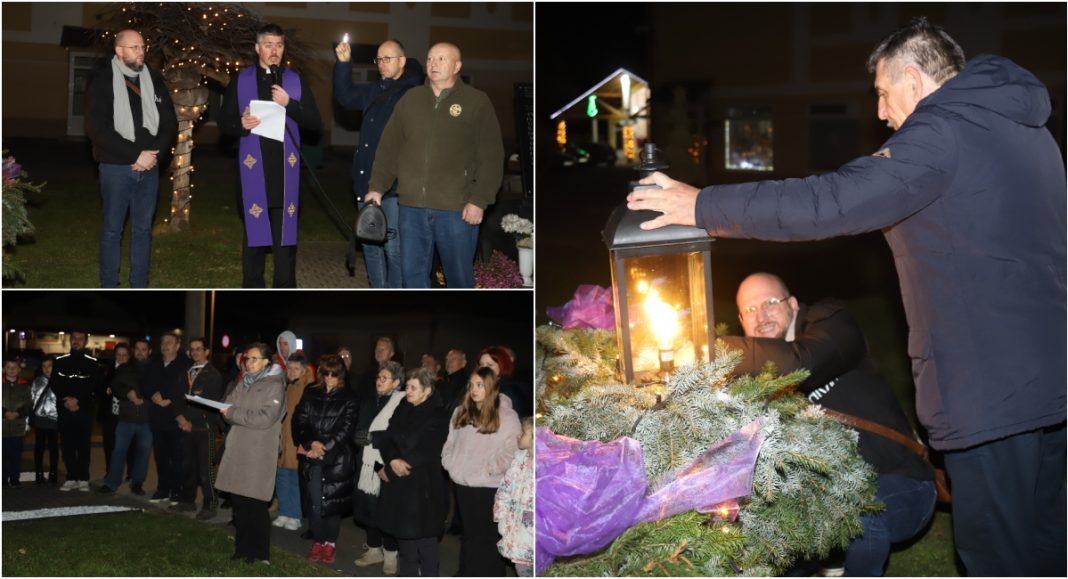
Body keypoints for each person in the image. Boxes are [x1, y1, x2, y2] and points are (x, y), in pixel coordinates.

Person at [626, 18, 1066, 576]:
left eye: (882, 92)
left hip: (991, 389)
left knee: (998, 555)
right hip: (1048, 376)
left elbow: (830, 201)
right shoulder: (1024, 130)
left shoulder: (940, 131)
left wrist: (702, 206)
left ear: (913, 79)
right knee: (1044, 543)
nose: (880, 112)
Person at [721, 273, 936, 576]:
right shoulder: (749, 377)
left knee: (859, 512)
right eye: (750, 309)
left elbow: (798, 364)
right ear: (741, 321)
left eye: (770, 302)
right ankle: (830, 557)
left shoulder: (831, 325)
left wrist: (712, 348)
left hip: (901, 484)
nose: (762, 316)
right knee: (760, 542)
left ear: (793, 304)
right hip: (819, 502)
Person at [366, 42, 505, 288]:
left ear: (457, 66)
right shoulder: (411, 99)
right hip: (411, 208)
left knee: (459, 279)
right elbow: (389, 148)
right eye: (430, 59)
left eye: (441, 59)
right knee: (412, 277)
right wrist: (377, 187)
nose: (433, 64)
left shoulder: (476, 101)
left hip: (456, 209)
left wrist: (479, 200)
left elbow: (491, 155)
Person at [220, 23, 322, 288]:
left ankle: (284, 288)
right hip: (253, 173)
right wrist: (240, 124)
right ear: (257, 48)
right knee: (254, 242)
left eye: (279, 45)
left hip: (285, 175)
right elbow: (224, 123)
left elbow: (314, 122)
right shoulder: (241, 80)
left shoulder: (295, 81)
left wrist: (291, 104)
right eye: (268, 45)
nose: (274, 51)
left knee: (285, 244)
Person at [86, 29, 177, 288]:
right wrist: (135, 155)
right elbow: (97, 129)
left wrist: (154, 155)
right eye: (134, 47)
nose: (141, 51)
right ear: (119, 51)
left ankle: (139, 284)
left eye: (142, 46)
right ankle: (109, 284)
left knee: (143, 230)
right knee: (112, 230)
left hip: (150, 168)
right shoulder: (102, 80)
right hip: (116, 168)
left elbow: (169, 123)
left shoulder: (154, 79)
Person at [334, 38, 424, 288]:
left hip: (393, 188)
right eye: (379, 59)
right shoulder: (374, 90)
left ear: (402, 61)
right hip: (365, 182)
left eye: (388, 59)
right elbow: (346, 96)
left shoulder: (413, 94)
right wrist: (343, 64)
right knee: (370, 244)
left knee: (394, 249)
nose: (381, 64)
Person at [441, 367, 521, 576]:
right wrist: (450, 463)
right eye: (472, 385)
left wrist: (489, 470)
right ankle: (467, 572)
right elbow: (450, 442)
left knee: (486, 537)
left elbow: (513, 450)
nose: (474, 390)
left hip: (488, 486)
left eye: (480, 385)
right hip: (462, 483)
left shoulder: (506, 415)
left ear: (491, 387)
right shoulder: (461, 412)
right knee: (469, 534)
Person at [216, 343, 286, 565]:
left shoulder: (275, 385)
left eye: (254, 358)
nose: (249, 362)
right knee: (239, 503)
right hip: (238, 448)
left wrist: (234, 413)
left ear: (266, 362)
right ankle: (242, 548)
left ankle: (260, 553)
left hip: (258, 452)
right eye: (247, 358)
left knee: (255, 503)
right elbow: (226, 408)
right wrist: (233, 413)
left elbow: (264, 418)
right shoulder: (243, 382)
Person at [375, 367, 449, 576]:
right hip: (400, 485)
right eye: (407, 386)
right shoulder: (403, 407)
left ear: (427, 390)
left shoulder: (438, 414)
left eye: (413, 387)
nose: (407, 391)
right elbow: (387, 437)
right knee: (405, 540)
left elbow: (428, 449)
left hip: (422, 487)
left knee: (425, 542)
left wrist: (400, 464)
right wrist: (392, 459)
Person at [292, 355, 359, 565]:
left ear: (341, 374)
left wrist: (325, 446)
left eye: (334, 374)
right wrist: (311, 442)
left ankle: (330, 543)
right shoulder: (311, 391)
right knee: (314, 502)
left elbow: (346, 428)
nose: (329, 378)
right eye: (326, 373)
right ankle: (318, 541)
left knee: (332, 503)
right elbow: (300, 419)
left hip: (336, 458)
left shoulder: (349, 397)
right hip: (312, 455)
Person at [352, 360, 405, 574]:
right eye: (378, 377)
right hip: (367, 461)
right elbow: (359, 428)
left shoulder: (402, 403)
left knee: (386, 511)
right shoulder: (369, 401)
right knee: (368, 507)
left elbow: (397, 435)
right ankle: (374, 550)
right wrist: (359, 437)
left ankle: (391, 555)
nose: (379, 382)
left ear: (397, 382)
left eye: (385, 378)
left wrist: (373, 439)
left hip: (387, 462)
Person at [171, 337, 224, 520]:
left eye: (199, 349)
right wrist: (179, 417)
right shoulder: (185, 372)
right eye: (192, 349)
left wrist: (191, 421)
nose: (195, 352)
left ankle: (210, 504)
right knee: (188, 467)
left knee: (205, 470)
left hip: (204, 429)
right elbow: (177, 397)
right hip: (185, 427)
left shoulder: (214, 375)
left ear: (207, 351)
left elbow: (210, 403)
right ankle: (188, 500)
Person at [141, 332, 191, 504]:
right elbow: (144, 385)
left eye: (169, 342)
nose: (165, 345)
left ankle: (177, 490)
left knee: (177, 457)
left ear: (178, 345)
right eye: (163, 342)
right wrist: (152, 394)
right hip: (157, 418)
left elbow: (188, 389)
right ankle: (163, 489)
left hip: (176, 417)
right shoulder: (153, 364)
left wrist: (170, 398)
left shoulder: (186, 365)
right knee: (161, 457)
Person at [98, 342, 152, 497]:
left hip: (147, 420)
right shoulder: (124, 368)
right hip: (126, 418)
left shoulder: (154, 368)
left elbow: (157, 387)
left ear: (149, 352)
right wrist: (128, 392)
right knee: (118, 452)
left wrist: (141, 395)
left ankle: (137, 483)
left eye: (143, 350)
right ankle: (111, 483)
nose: (140, 352)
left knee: (143, 453)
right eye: (137, 349)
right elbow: (116, 386)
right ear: (134, 351)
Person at [51, 331, 101, 492]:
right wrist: (66, 400)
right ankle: (71, 477)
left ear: (85, 341)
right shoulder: (60, 361)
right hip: (65, 409)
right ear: (70, 340)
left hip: (83, 410)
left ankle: (83, 478)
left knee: (83, 446)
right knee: (67, 445)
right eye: (74, 338)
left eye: (80, 339)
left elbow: (93, 385)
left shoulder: (92, 363)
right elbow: (55, 383)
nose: (76, 341)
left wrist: (77, 400)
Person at [274, 352, 312, 532]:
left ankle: (295, 515)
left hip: (296, 441)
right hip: (283, 439)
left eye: (296, 369)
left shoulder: (307, 389)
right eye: (289, 368)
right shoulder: (286, 385)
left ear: (304, 370)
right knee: (281, 477)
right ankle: (284, 511)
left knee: (295, 479)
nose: (291, 372)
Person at [493, 416, 534, 577]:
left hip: (534, 534)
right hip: (515, 528)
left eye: (523, 433)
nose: (518, 435)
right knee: (522, 570)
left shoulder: (544, 467)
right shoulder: (518, 461)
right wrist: (502, 517)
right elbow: (504, 489)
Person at [30, 355, 59, 485]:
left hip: (54, 419)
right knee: (39, 447)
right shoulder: (37, 381)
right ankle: (39, 472)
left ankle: (53, 472)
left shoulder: (60, 380)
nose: (47, 369)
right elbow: (32, 399)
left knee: (53, 447)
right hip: (40, 419)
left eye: (50, 366)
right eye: (44, 366)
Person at [3, 357, 32, 487]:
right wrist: (4, 413)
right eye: (8, 367)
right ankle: (3, 479)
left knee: (15, 455)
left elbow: (28, 404)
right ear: (4, 369)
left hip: (18, 428)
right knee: (3, 455)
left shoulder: (24, 386)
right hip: (2, 427)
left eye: (14, 367)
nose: (11, 370)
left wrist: (17, 413)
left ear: (19, 369)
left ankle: (15, 479)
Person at [478, 346, 531, 418]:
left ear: (502, 366)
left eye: (490, 365)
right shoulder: (483, 386)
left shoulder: (508, 390)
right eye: (481, 364)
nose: (484, 368)